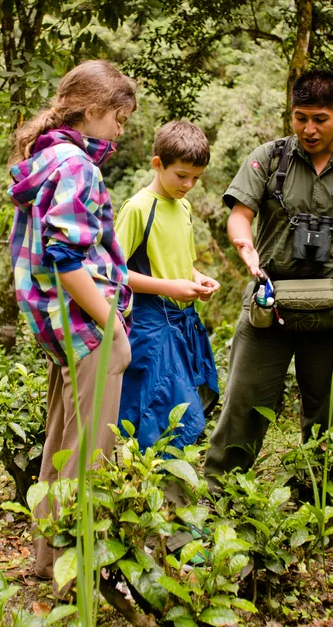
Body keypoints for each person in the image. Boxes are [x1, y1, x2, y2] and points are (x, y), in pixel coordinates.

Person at [204, 69, 333, 486]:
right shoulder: (270, 157)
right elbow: (240, 215)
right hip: (269, 304)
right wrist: (244, 246)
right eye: (300, 118)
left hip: (332, 310)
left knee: (327, 410)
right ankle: (220, 491)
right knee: (244, 403)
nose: (309, 129)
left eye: (320, 119)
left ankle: (317, 497)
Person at [7, 59, 137, 581]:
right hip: (87, 327)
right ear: (94, 111)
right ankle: (77, 577)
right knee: (90, 455)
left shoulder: (47, 157)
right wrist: (113, 326)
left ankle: (46, 563)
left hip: (60, 328)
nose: (120, 132)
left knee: (63, 445)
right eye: (119, 120)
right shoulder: (78, 165)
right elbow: (66, 260)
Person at [114, 120, 221, 449]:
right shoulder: (137, 208)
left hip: (182, 323)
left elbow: (184, 263)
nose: (189, 185)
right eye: (182, 175)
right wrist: (168, 287)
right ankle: (156, 494)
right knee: (159, 412)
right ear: (157, 165)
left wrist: (196, 278)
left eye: (196, 178)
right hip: (150, 325)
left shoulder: (184, 207)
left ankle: (172, 494)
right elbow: (113, 273)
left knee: (182, 408)